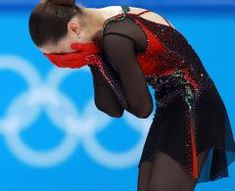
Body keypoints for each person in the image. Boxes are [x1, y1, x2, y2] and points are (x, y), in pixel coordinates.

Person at [28, 1, 235, 190]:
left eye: (61, 53)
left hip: (195, 105)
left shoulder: (116, 37)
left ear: (74, 29)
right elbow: (112, 109)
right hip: (172, 107)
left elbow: (143, 108)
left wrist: (97, 59)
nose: (63, 59)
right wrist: (94, 60)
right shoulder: (102, 27)